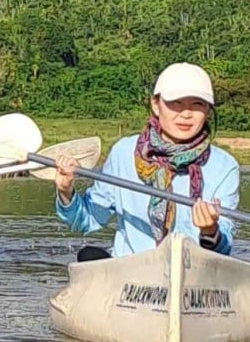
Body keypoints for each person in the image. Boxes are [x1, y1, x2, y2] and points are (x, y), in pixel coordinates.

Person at [54, 62, 238, 261]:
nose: (186, 114)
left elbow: (223, 247)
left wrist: (210, 232)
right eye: (176, 103)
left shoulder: (225, 166)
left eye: (197, 104)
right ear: (156, 105)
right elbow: (87, 220)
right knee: (87, 255)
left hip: (195, 272)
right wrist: (66, 191)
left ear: (208, 110)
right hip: (131, 272)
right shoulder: (123, 153)